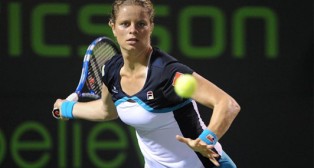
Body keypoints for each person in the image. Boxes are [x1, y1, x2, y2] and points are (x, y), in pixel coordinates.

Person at [53, 0, 241, 167]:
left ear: (151, 27)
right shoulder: (110, 70)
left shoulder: (168, 73)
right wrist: (67, 108)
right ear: (113, 26)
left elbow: (227, 104)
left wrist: (206, 139)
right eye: (125, 24)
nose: (132, 30)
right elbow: (107, 110)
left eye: (141, 24)